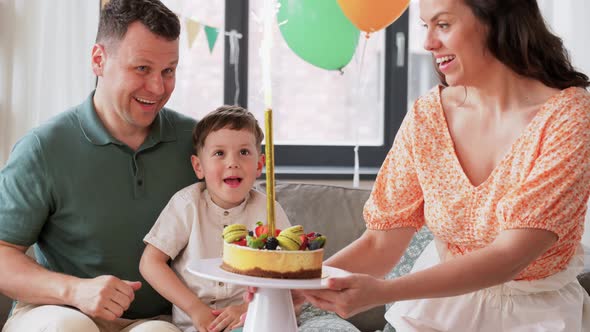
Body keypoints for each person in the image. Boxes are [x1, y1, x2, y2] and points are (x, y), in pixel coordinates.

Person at [299, 0, 590, 331]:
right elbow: (379, 244)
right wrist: (291, 290)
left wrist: (384, 292)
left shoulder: (570, 117)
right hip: (434, 315)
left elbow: (509, 256)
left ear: (497, 21)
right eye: (426, 26)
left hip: (535, 319)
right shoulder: (428, 116)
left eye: (444, 25)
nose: (428, 43)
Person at [0, 0, 197, 331]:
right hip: (57, 311)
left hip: (157, 319)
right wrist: (75, 291)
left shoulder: (197, 143)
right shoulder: (43, 148)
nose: (158, 88)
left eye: (169, 71)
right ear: (98, 60)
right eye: (142, 69)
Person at [139, 105, 291, 332]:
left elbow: (288, 273)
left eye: (244, 152)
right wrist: (195, 309)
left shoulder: (269, 210)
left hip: (250, 322)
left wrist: (246, 309)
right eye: (219, 153)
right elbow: (150, 263)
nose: (232, 162)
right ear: (198, 166)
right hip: (192, 325)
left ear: (260, 164)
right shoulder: (187, 204)